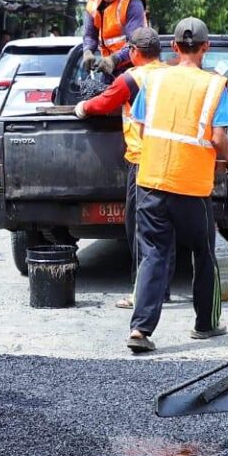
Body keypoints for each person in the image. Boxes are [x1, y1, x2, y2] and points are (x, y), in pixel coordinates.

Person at [126, 17, 228, 353]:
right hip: (191, 188)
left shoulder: (154, 82)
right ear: (206, 48)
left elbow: (139, 127)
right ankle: (205, 324)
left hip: (150, 181)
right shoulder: (212, 86)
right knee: (203, 252)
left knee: (153, 254)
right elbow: (219, 138)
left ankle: (140, 330)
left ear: (175, 48)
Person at [73, 26, 174, 308]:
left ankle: (142, 292)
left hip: (143, 159)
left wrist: (82, 107)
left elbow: (105, 101)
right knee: (164, 229)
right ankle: (160, 289)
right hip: (171, 158)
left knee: (140, 228)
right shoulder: (171, 74)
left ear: (133, 52)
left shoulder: (132, 78)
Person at [81, 0, 149, 75]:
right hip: (109, 67)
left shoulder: (132, 2)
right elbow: (90, 35)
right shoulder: (93, 1)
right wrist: (87, 51)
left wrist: (114, 59)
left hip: (133, 67)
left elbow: (135, 43)